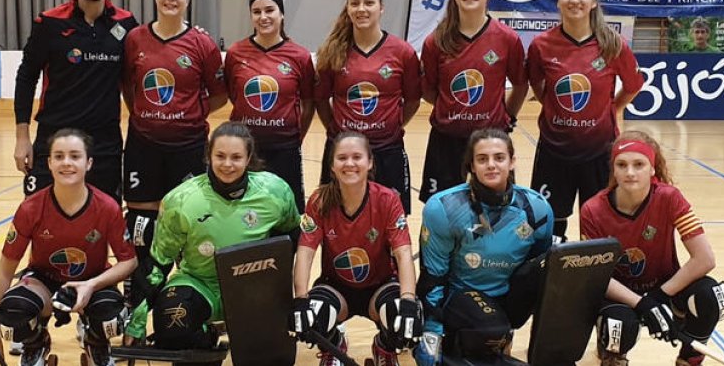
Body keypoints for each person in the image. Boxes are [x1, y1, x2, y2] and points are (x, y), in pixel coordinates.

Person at [121, 0, 228, 341]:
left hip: (187, 148)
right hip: (143, 147)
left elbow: (218, 93)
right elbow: (128, 86)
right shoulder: (135, 38)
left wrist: (186, 117)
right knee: (141, 227)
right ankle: (133, 302)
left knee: (186, 223)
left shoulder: (202, 44)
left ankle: (182, 304)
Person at [137, 122, 301, 355]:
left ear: (248, 158)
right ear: (208, 156)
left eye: (236, 157)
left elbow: (292, 236)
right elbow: (158, 263)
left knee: (270, 358)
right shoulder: (181, 200)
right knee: (172, 326)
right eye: (220, 156)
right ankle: (210, 341)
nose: (227, 164)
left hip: (252, 288)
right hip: (200, 283)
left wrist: (278, 292)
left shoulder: (275, 191)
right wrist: (137, 322)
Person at [0, 129, 137, 366]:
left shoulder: (107, 207)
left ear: (89, 163)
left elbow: (129, 261)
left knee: (112, 317)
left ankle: (96, 341)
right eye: (59, 156)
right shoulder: (30, 208)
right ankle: (36, 342)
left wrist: (91, 285)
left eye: (75, 156)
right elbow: (5, 271)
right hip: (43, 281)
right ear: (49, 163)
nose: (67, 163)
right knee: (12, 314)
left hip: (91, 282)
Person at [579, 131, 724, 366]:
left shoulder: (670, 198)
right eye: (622, 165)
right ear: (613, 169)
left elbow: (704, 259)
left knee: (712, 296)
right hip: (619, 295)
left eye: (639, 164)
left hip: (664, 288)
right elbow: (595, 275)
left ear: (652, 168)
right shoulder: (592, 210)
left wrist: (659, 296)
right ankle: (612, 354)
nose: (630, 172)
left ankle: (690, 357)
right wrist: (642, 303)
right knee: (618, 326)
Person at [414, 129, 554, 366]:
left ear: (512, 162)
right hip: (460, 298)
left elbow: (539, 268)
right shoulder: (444, 208)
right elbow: (433, 277)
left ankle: (495, 341)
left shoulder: (537, 209)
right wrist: (431, 332)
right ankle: (463, 343)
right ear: (471, 166)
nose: (491, 165)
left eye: (499, 158)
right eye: (482, 159)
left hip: (508, 300)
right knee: (489, 328)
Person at [526, 0, 644, 240]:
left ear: (593, 1)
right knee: (549, 228)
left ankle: (595, 281)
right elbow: (536, 84)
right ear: (557, 0)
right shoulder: (541, 45)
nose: (574, 0)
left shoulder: (613, 45)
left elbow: (634, 85)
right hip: (554, 151)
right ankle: (552, 280)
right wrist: (554, 105)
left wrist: (613, 107)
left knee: (598, 227)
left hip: (599, 151)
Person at [13, 0, 137, 202]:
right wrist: (22, 138)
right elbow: (26, 77)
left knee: (102, 225)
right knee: (43, 222)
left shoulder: (126, 24)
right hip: (53, 142)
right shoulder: (49, 23)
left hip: (104, 146)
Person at [292, 132, 421, 366]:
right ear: (332, 165)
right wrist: (300, 300)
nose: (349, 163)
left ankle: (384, 347)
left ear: (370, 162)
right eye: (341, 158)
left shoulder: (388, 199)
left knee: (401, 313)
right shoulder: (320, 200)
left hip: (380, 286)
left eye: (356, 157)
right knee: (313, 314)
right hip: (337, 286)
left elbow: (403, 254)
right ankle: (335, 346)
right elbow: (305, 251)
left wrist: (409, 301)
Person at [419, 0, 528, 203]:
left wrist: (505, 115)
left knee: (499, 209)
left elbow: (521, 85)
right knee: (442, 210)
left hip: (490, 141)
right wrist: (449, 107)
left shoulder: (507, 38)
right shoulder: (436, 41)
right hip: (446, 141)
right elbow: (427, 89)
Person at [315, 0, 421, 213]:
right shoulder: (333, 51)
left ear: (381, 7)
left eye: (368, 3)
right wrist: (337, 130)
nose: (361, 9)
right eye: (355, 3)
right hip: (343, 152)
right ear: (348, 8)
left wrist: (392, 124)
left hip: (387, 151)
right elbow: (321, 100)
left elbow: (413, 100)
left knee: (391, 219)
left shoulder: (403, 52)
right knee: (336, 216)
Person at [224, 0, 316, 207]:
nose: (263, 17)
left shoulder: (299, 56)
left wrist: (295, 136)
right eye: (257, 12)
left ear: (281, 14)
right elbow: (233, 94)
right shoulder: (236, 53)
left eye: (269, 10)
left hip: (285, 149)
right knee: (243, 209)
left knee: (286, 209)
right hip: (246, 148)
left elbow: (308, 102)